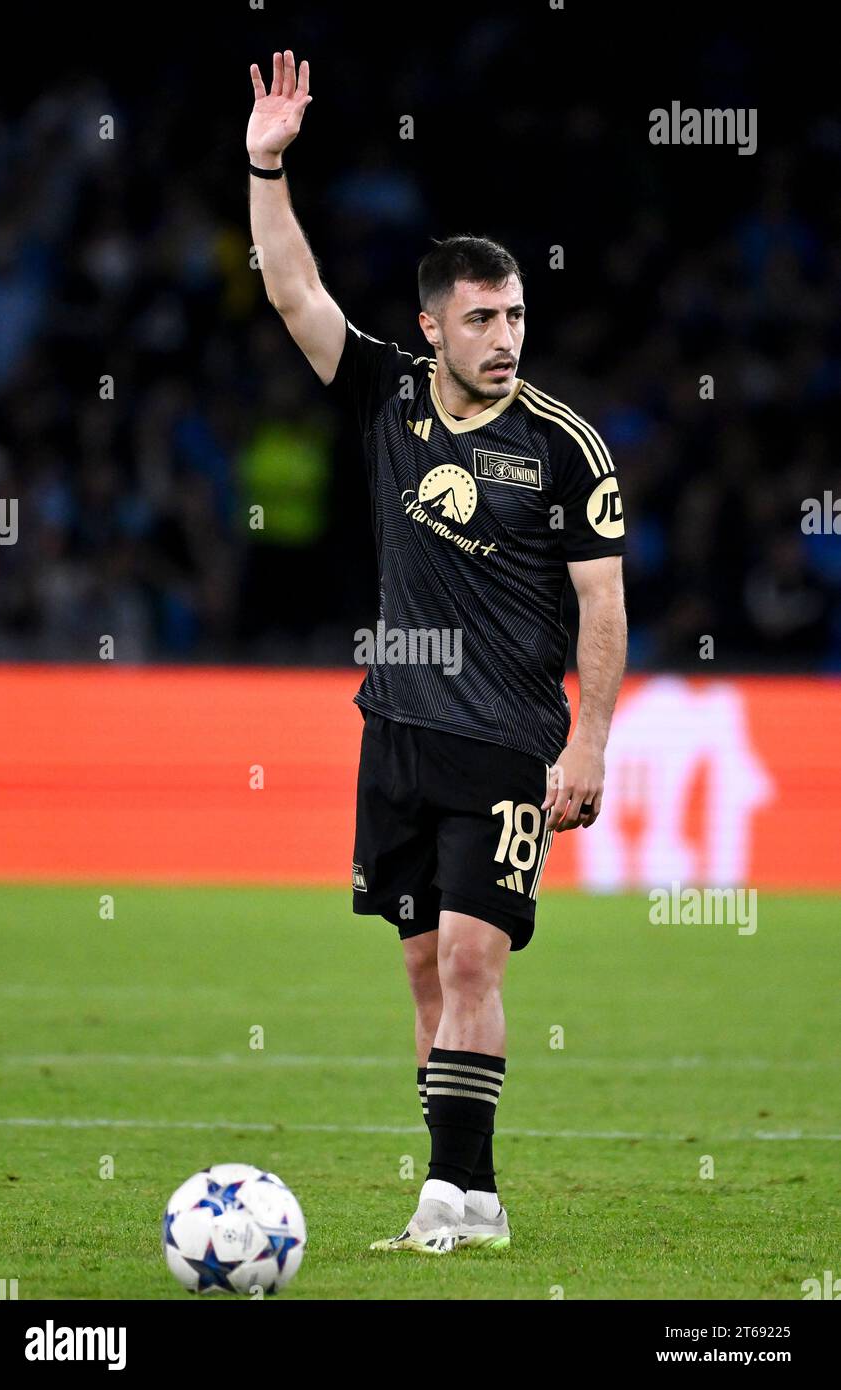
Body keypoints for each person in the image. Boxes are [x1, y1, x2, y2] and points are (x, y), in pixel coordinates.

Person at [247, 51, 628, 1254]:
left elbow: (604, 608)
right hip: (397, 731)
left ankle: (441, 1205)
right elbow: (294, 291)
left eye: (515, 313)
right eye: (481, 317)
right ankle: (468, 1191)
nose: (505, 335)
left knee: (473, 957)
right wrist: (266, 165)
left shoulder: (566, 447)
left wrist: (586, 741)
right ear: (432, 325)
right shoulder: (387, 397)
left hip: (507, 740)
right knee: (421, 971)